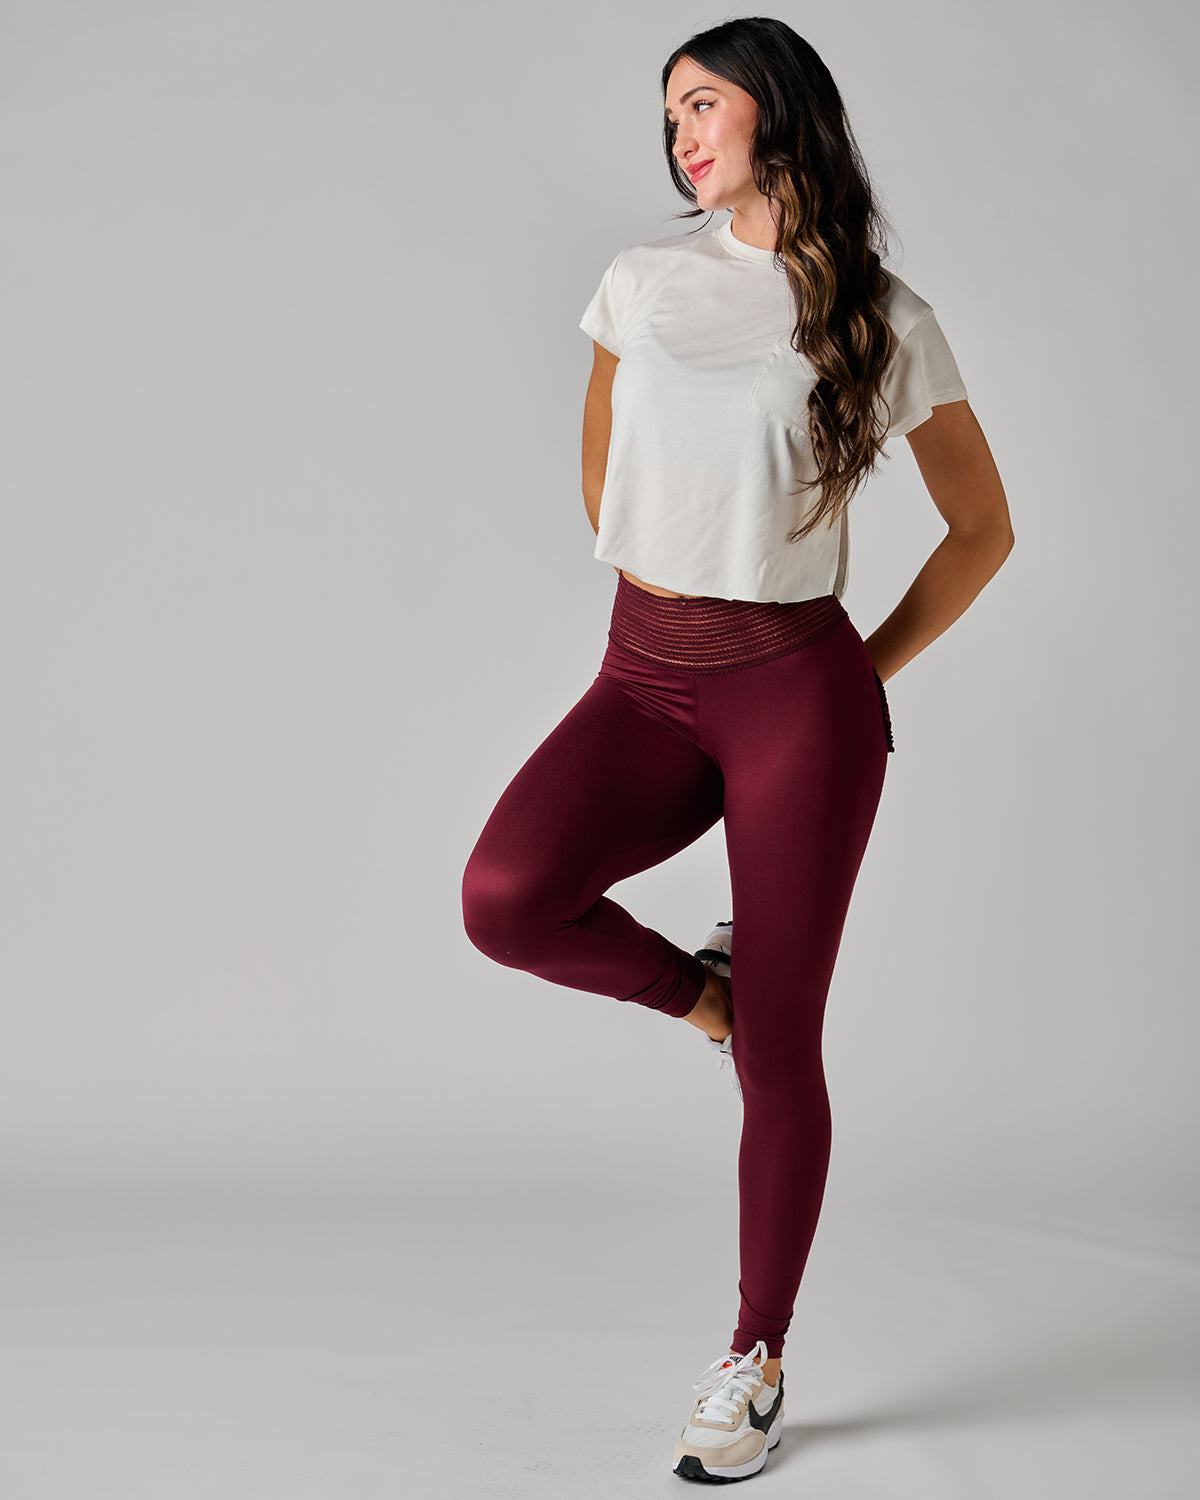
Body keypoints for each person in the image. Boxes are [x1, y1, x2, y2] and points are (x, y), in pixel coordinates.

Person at [461, 15, 1013, 1485]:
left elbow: (984, 533)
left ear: (781, 111)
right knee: (506, 899)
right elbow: (606, 469)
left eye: (703, 104)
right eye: (668, 116)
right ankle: (702, 997)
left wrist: (856, 677)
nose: (680, 135)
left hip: (796, 700)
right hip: (642, 678)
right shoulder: (639, 286)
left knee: (787, 1048)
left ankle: (755, 1355)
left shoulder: (884, 316)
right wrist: (654, 564)